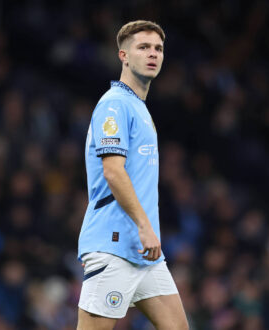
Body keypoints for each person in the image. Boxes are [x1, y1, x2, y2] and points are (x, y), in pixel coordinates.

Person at [77, 20, 189, 330]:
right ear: (123, 56)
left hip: (145, 252)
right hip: (114, 245)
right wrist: (144, 225)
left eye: (158, 48)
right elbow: (113, 172)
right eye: (143, 47)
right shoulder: (114, 105)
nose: (153, 54)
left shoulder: (137, 107)